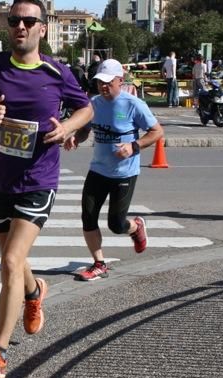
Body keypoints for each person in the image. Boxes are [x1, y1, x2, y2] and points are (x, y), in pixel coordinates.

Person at [0, 0, 93, 378]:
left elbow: (86, 110)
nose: (20, 26)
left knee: (11, 262)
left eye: (29, 21)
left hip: (37, 181)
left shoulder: (56, 71)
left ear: (42, 29)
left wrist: (67, 128)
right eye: (14, 20)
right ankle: (34, 293)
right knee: (14, 262)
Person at [66, 59, 164, 282]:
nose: (103, 86)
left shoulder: (133, 104)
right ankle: (99, 264)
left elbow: (157, 131)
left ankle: (136, 226)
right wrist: (76, 138)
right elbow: (85, 129)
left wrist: (133, 146)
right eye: (100, 82)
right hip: (98, 169)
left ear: (120, 80)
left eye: (109, 82)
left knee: (116, 224)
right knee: (88, 217)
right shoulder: (95, 103)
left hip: (124, 173)